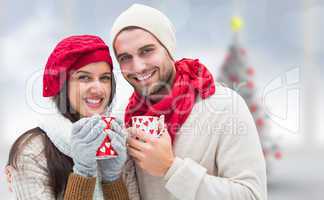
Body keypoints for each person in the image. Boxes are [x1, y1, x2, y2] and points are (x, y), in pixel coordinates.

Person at [110, 4, 267, 200]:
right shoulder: (124, 118)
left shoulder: (225, 107)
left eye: (146, 51)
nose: (138, 66)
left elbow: (251, 196)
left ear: (168, 48)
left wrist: (171, 168)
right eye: (125, 58)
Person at [5, 35, 133, 199]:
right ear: (61, 84)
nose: (98, 88)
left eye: (104, 78)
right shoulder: (32, 152)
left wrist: (112, 178)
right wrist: (83, 173)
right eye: (84, 77)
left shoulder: (116, 141)